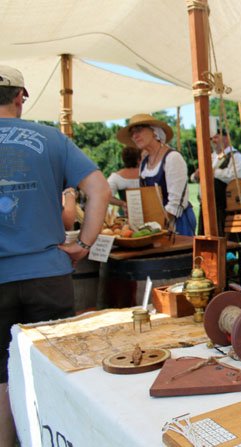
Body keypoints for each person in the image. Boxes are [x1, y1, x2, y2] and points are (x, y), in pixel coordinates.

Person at [0, 65, 111, 447]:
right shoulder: (51, 138)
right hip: (47, 273)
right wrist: (84, 242)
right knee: (56, 369)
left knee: (1, 376)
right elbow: (99, 189)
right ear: (20, 97)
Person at [117, 114, 196, 236]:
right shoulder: (144, 163)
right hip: (155, 225)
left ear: (154, 131)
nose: (134, 136)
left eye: (138, 130)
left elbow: (176, 203)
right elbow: (146, 198)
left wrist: (159, 225)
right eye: (132, 133)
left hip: (177, 223)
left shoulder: (172, 158)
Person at [191, 126, 241, 235]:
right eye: (212, 138)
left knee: (222, 241)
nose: (213, 141)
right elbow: (193, 177)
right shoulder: (211, 157)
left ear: (226, 139)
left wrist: (213, 173)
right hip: (207, 208)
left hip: (225, 208)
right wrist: (197, 176)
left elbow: (236, 176)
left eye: (216, 137)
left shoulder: (236, 156)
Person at [107, 145, 142, 214]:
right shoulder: (146, 173)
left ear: (123, 159)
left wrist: (123, 203)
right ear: (138, 160)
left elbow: (107, 197)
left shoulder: (115, 177)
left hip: (126, 214)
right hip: (150, 212)